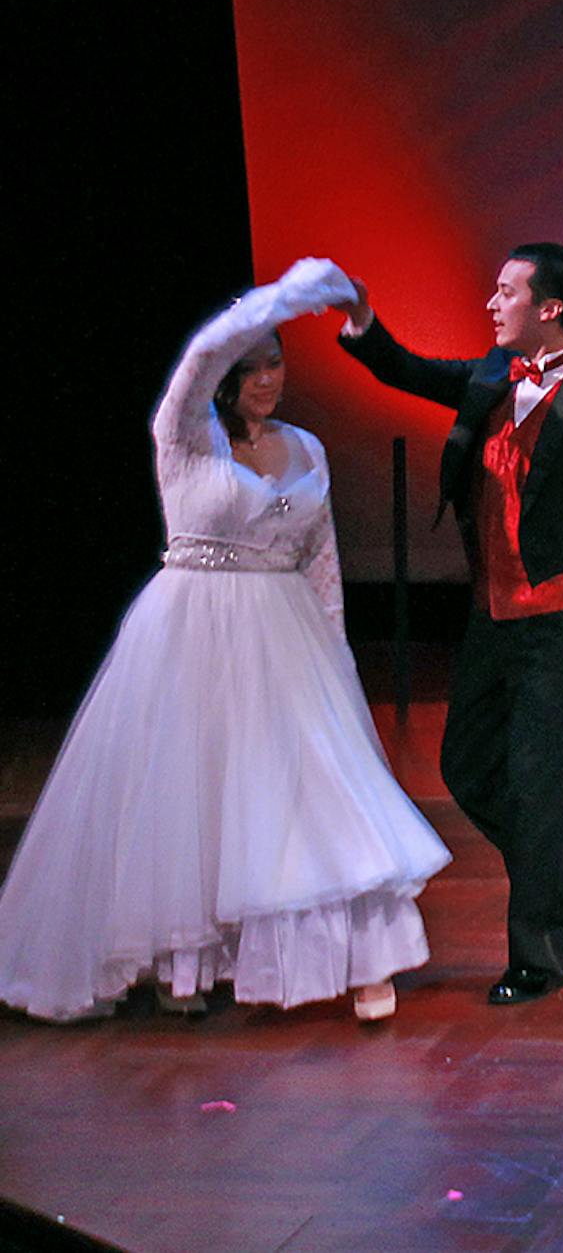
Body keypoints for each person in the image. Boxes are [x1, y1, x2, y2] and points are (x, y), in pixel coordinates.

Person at [0, 259, 448, 1024]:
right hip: (190, 633)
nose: (269, 378)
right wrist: (297, 293)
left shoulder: (306, 446)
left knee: (312, 794)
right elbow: (203, 354)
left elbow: (323, 561)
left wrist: (336, 659)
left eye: (277, 362)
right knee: (190, 796)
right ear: (227, 376)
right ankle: (185, 966)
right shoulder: (185, 435)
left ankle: (370, 962)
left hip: (285, 642)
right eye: (255, 366)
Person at [336, 243, 563, 1005]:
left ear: (549, 308)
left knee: (539, 785)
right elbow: (406, 369)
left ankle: (539, 956)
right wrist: (361, 318)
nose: (492, 303)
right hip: (494, 614)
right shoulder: (490, 377)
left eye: (506, 291)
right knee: (467, 766)